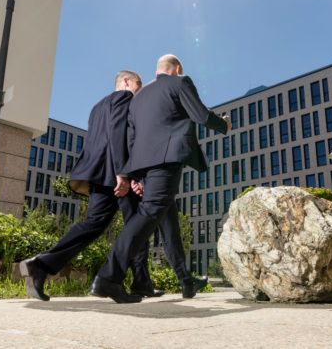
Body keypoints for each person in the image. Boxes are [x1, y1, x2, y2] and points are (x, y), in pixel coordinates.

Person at [90, 54, 231, 303]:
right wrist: (224, 125)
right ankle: (108, 277)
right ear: (176, 69)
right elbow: (200, 115)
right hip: (167, 159)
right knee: (149, 214)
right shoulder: (180, 82)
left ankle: (186, 281)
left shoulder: (138, 97)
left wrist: (133, 175)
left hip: (144, 165)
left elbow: (131, 137)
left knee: (169, 222)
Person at [19, 70, 162, 301]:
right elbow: (118, 133)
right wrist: (123, 173)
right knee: (138, 225)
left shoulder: (97, 107)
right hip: (117, 173)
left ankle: (41, 265)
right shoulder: (125, 98)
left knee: (94, 224)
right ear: (125, 82)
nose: (140, 88)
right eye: (138, 83)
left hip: (98, 173)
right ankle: (130, 281)